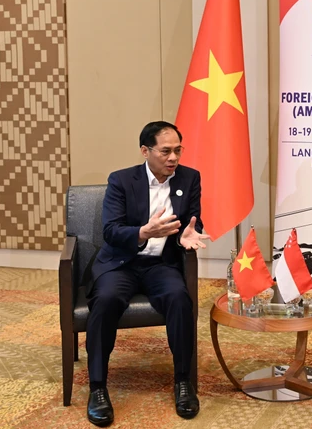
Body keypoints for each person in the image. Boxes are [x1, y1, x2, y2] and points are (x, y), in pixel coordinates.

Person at [85, 121, 209, 426]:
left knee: (180, 299)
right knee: (106, 300)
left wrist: (186, 236)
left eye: (178, 150)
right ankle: (98, 387)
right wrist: (143, 231)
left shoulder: (189, 178)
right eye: (166, 151)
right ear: (145, 151)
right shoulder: (122, 180)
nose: (173, 158)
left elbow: (194, 221)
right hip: (122, 263)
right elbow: (111, 231)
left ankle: (183, 381)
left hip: (160, 265)